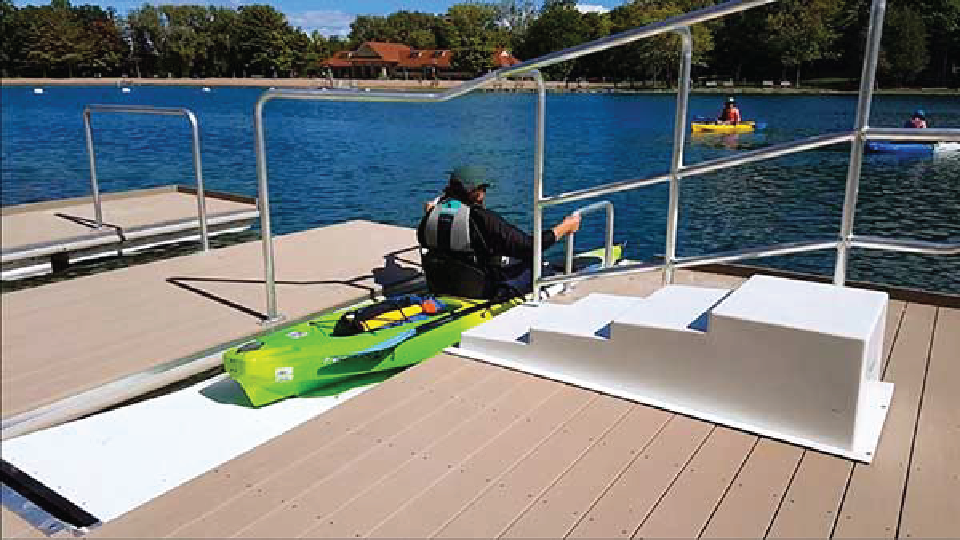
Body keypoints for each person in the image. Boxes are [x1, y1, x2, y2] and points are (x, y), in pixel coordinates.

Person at [418, 165, 581, 299]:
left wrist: (430, 212)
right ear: (478, 193)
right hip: (481, 290)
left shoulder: (431, 214)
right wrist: (565, 227)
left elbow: (423, 238)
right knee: (534, 265)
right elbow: (529, 246)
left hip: (441, 283)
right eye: (483, 190)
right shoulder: (482, 219)